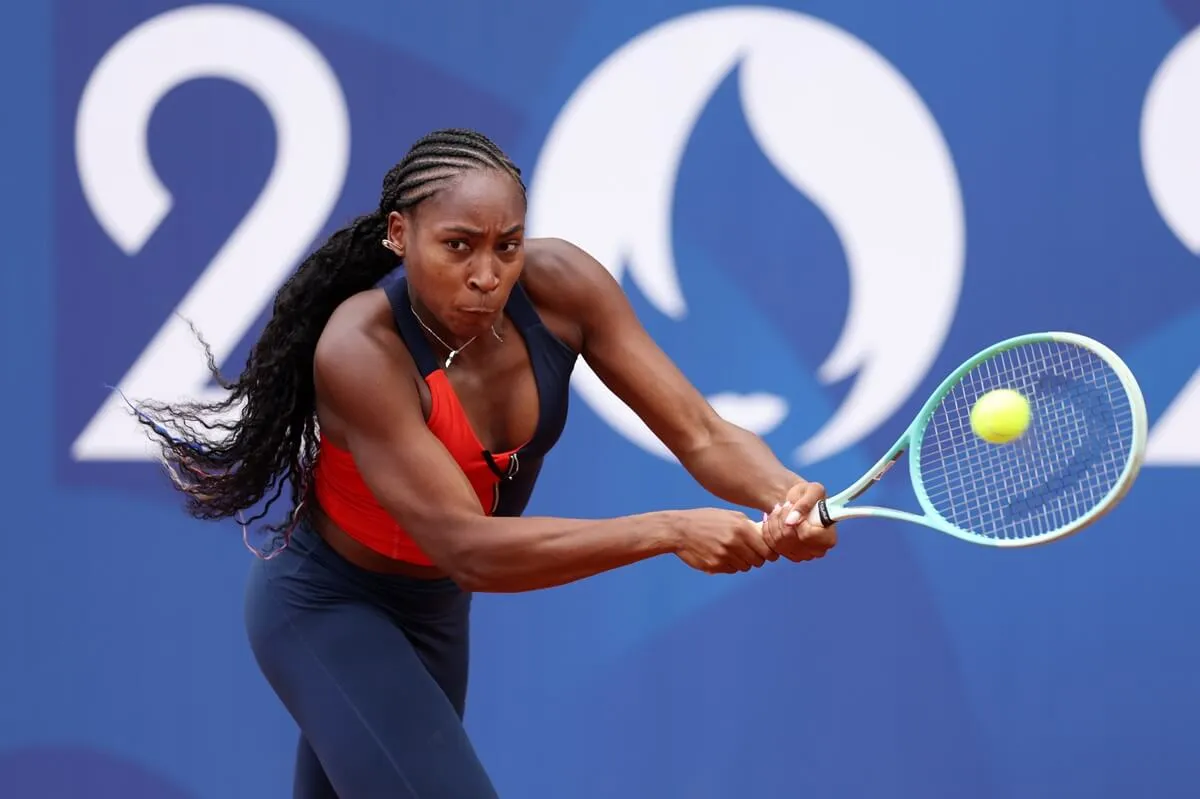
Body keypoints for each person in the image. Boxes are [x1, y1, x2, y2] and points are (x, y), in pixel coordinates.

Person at [137, 128, 837, 798]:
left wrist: (785, 495)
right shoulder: (360, 351)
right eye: (458, 246)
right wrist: (670, 529)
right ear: (398, 235)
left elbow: (702, 432)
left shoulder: (564, 290)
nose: (487, 275)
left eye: (508, 246)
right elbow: (470, 548)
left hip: (436, 609)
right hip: (327, 606)